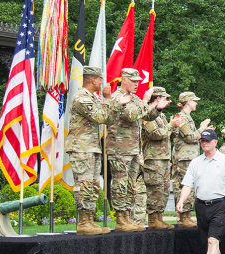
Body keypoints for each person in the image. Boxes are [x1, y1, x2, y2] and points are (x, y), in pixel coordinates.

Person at [107, 68, 169, 232]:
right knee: (121, 183)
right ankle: (121, 219)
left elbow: (145, 116)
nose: (136, 84)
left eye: (137, 81)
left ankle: (127, 217)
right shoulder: (117, 98)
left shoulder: (134, 99)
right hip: (119, 148)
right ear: (124, 80)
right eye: (133, 81)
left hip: (134, 149)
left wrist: (157, 108)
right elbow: (131, 115)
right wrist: (146, 100)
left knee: (130, 185)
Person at [65, 66, 125, 235]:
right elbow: (100, 117)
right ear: (93, 79)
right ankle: (83, 222)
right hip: (81, 147)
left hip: (91, 147)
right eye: (100, 79)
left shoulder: (93, 98)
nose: (102, 83)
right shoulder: (81, 98)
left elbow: (109, 118)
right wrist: (107, 99)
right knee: (84, 184)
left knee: (92, 185)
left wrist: (108, 102)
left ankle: (89, 220)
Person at [177, 128, 225, 254]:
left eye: (207, 141)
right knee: (211, 242)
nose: (204, 143)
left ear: (215, 142)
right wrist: (181, 201)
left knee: (213, 240)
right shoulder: (195, 162)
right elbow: (187, 184)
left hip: (219, 204)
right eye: (202, 141)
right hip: (201, 205)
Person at [141, 86, 180, 230]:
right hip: (153, 158)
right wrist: (171, 125)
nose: (166, 100)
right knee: (155, 189)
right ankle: (153, 219)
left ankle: (159, 217)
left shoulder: (161, 116)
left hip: (163, 158)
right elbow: (156, 134)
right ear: (157, 99)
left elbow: (167, 134)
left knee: (163, 189)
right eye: (164, 98)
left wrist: (173, 126)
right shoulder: (147, 115)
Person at [171, 92, 211, 228]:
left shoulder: (187, 118)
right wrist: (202, 128)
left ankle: (186, 215)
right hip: (184, 158)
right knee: (185, 185)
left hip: (189, 157)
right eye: (194, 101)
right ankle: (183, 216)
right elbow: (189, 137)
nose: (196, 103)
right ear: (188, 101)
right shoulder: (182, 118)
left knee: (190, 185)